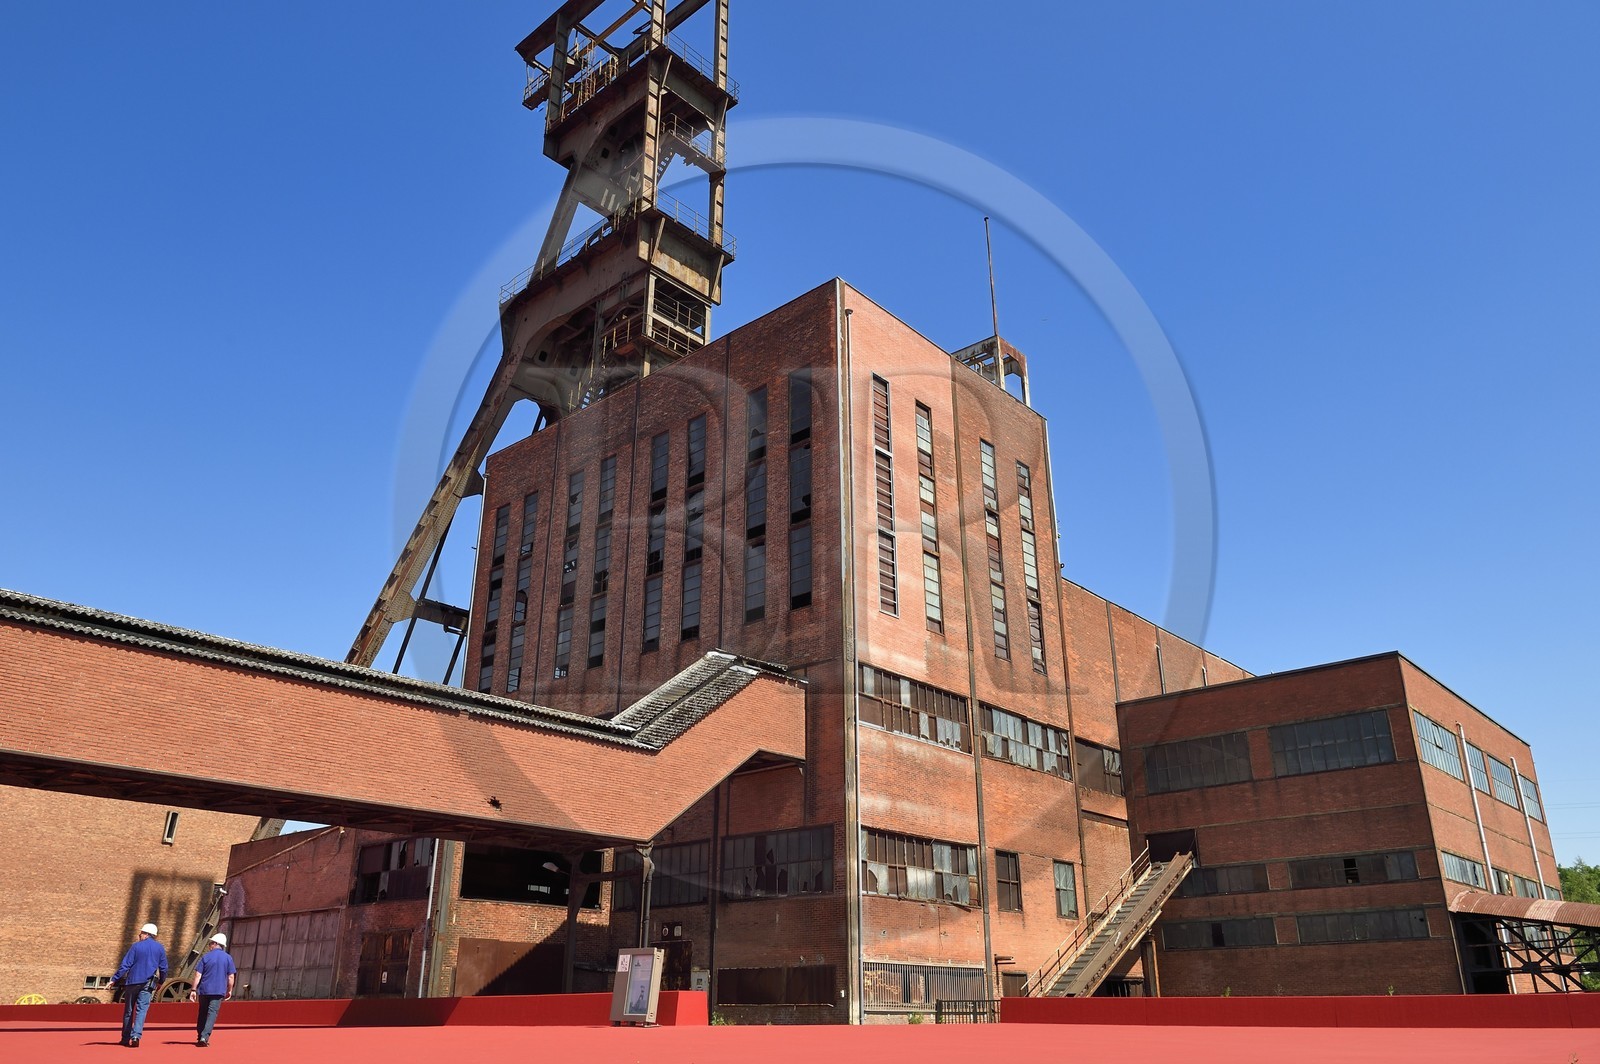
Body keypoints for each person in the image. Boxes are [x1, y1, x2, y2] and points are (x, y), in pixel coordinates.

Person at [112, 922, 168, 1048]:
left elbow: (125, 965)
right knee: (141, 1010)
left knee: (129, 1010)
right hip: (148, 983)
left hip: (132, 982)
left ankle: (125, 1038)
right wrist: (161, 981)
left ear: (146, 934)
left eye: (141, 933)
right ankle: (136, 1036)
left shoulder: (136, 946)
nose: (139, 935)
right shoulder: (159, 948)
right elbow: (164, 968)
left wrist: (114, 979)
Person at [188, 933, 236, 1047]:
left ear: (215, 944)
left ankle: (200, 1035)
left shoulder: (206, 957)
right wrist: (230, 990)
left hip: (204, 990)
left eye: (210, 943)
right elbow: (231, 976)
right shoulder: (228, 958)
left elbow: (198, 975)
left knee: (202, 1012)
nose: (209, 945)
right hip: (218, 991)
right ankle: (204, 1037)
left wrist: (193, 990)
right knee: (212, 1013)